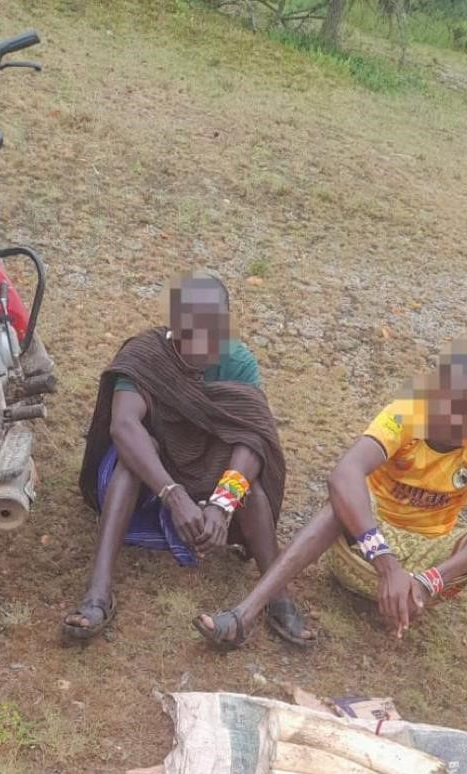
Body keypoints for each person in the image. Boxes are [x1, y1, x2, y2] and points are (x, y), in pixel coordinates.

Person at [194, 338, 467, 767]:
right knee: (340, 505)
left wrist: (430, 579)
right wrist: (386, 564)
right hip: (365, 549)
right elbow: (344, 474)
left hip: (428, 569)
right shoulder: (406, 412)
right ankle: (245, 614)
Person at [63, 271, 312, 647]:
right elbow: (124, 425)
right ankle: (98, 591)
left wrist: (222, 503)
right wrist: (172, 493)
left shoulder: (238, 361)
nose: (207, 343)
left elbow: (252, 436)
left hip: (206, 473)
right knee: (132, 460)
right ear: (175, 326)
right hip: (152, 477)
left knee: (251, 490)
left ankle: (278, 596)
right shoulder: (146, 355)